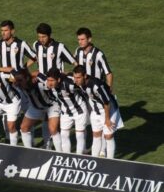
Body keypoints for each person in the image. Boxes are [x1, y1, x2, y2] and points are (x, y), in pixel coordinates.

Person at [33, 23, 77, 148]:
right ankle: (47, 145)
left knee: (54, 121)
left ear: (50, 35)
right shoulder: (36, 45)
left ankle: (60, 149)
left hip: (56, 88)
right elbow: (35, 58)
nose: (41, 40)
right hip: (42, 87)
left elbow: (74, 62)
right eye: (39, 37)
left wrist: (71, 74)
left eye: (43, 37)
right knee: (45, 117)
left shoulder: (60, 47)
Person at [0, 20, 37, 142]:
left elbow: (35, 56)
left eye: (6, 30)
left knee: (26, 109)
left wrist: (23, 68)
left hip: (18, 82)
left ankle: (30, 136)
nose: (3, 33)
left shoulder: (21, 44)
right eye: (2, 31)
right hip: (4, 81)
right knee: (5, 108)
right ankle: (8, 138)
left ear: (12, 31)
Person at [74, 27, 114, 156]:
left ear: (89, 39)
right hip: (84, 92)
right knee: (91, 120)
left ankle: (102, 150)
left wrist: (108, 88)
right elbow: (76, 68)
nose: (80, 42)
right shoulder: (78, 52)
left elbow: (108, 73)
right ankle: (88, 148)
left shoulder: (98, 54)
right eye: (78, 39)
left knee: (101, 119)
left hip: (97, 91)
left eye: (83, 39)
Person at [73, 65, 124, 159]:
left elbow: (107, 102)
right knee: (96, 135)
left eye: (78, 77)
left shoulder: (96, 85)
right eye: (75, 77)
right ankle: (94, 160)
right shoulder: (79, 83)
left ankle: (110, 161)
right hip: (95, 111)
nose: (76, 80)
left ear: (85, 76)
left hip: (109, 110)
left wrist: (107, 119)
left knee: (108, 136)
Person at [13, 69, 62, 152]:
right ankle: (29, 152)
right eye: (17, 80)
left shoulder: (39, 81)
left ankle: (60, 153)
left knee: (53, 129)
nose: (18, 82)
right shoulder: (18, 84)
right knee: (24, 127)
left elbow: (39, 73)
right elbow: (13, 74)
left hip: (51, 106)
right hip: (35, 107)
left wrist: (36, 75)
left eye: (21, 80)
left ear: (27, 78)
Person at [45, 68, 88, 154]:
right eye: (48, 80)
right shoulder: (48, 84)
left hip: (79, 111)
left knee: (79, 135)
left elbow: (84, 86)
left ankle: (79, 156)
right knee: (64, 135)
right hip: (66, 113)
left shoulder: (68, 84)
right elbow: (38, 75)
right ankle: (65, 155)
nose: (50, 82)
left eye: (52, 80)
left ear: (59, 79)